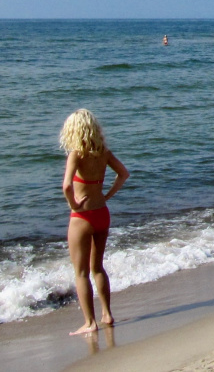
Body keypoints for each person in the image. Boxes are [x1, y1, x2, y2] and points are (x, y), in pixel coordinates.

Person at [60, 109, 130, 336]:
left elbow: (67, 186)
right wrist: (108, 195)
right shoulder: (103, 153)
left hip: (82, 217)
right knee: (97, 267)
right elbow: (124, 174)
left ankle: (89, 322)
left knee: (81, 273)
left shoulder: (76, 155)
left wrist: (73, 204)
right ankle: (107, 314)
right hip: (102, 213)